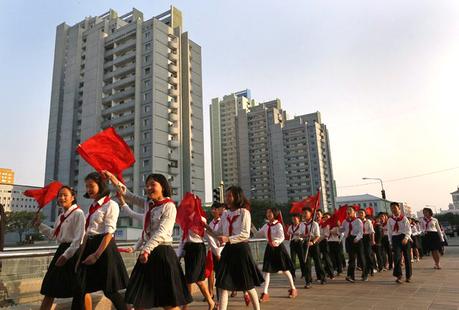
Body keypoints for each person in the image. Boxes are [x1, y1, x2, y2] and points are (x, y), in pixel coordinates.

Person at [105, 171, 193, 310]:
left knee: (168, 304)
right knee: (139, 299)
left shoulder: (169, 206)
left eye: (153, 184)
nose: (149, 188)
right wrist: (113, 178)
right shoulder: (149, 204)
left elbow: (161, 232)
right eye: (147, 185)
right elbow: (128, 195)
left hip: (162, 254)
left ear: (163, 187)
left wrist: (145, 250)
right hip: (147, 255)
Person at [72, 172, 129, 310]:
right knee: (80, 287)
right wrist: (79, 257)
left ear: (100, 185)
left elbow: (109, 233)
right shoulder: (92, 207)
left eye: (91, 186)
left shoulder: (111, 204)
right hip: (89, 246)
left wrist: (96, 255)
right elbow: (87, 233)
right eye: (86, 186)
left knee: (109, 290)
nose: (88, 189)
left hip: (103, 248)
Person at [204, 186, 263, 310]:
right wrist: (206, 228)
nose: (227, 198)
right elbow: (219, 232)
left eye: (229, 196)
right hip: (229, 251)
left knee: (248, 285)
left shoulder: (244, 212)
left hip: (241, 250)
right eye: (226, 196)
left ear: (237, 197)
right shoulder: (225, 214)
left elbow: (245, 234)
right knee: (223, 284)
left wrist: (228, 239)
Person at [34, 186, 85, 310]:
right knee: (50, 288)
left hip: (73, 253)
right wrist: (40, 225)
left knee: (81, 290)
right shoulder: (61, 215)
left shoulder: (78, 213)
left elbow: (79, 239)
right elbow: (53, 234)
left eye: (65, 195)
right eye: (59, 195)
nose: (62, 198)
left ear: (73, 197)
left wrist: (66, 256)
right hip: (62, 250)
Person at [252, 208, 297, 302]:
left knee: (285, 270)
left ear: (275, 214)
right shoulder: (266, 226)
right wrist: (251, 227)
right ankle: (265, 293)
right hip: (269, 249)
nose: (268, 214)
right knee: (266, 271)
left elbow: (282, 237)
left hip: (279, 249)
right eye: (267, 212)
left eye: (270, 212)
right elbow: (258, 235)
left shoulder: (278, 225)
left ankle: (293, 288)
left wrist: (275, 242)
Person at [341, 206, 367, 283]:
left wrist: (357, 238)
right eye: (347, 211)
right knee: (351, 259)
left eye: (350, 210)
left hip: (357, 240)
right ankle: (350, 276)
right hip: (349, 240)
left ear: (354, 212)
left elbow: (361, 232)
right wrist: (339, 228)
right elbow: (342, 230)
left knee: (361, 258)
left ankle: (365, 274)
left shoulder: (358, 221)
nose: (348, 212)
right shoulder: (345, 221)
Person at [388, 202, 412, 283]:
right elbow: (389, 232)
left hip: (404, 238)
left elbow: (409, 230)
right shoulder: (390, 220)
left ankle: (408, 276)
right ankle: (399, 275)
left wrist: (406, 238)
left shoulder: (404, 218)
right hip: (395, 239)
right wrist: (390, 242)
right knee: (397, 257)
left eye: (395, 207)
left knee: (407, 257)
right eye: (392, 208)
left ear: (399, 208)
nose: (393, 209)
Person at [302, 207, 326, 288]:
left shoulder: (314, 224)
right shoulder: (302, 224)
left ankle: (322, 278)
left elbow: (318, 236)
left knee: (318, 262)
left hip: (313, 244)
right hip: (305, 244)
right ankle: (308, 281)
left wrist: (312, 242)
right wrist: (305, 235)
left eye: (306, 213)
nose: (304, 214)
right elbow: (301, 234)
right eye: (303, 213)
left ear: (310, 214)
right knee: (307, 263)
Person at [206, 202, 224, 303]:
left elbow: (223, 237)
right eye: (212, 209)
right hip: (213, 251)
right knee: (214, 273)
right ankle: (216, 298)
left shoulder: (222, 222)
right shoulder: (211, 223)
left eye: (215, 209)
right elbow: (210, 237)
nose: (213, 211)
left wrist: (219, 252)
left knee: (222, 274)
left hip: (222, 251)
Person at [316, 209, 335, 279]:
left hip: (323, 242)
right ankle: (320, 275)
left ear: (322, 215)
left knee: (326, 258)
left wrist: (317, 240)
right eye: (316, 214)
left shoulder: (324, 223)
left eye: (319, 214)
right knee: (318, 259)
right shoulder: (314, 224)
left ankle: (331, 274)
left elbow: (326, 234)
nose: (317, 216)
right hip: (316, 242)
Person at [357, 209, 376, 276]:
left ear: (365, 214)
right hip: (359, 238)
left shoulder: (368, 221)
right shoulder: (357, 221)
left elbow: (372, 231)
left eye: (362, 213)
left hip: (366, 238)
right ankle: (365, 271)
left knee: (368, 254)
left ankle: (371, 269)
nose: (360, 214)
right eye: (359, 213)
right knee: (361, 255)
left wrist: (373, 240)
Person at [287, 213, 306, 278]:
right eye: (293, 219)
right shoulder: (290, 226)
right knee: (293, 259)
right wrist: (288, 233)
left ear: (298, 219)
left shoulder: (302, 225)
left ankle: (304, 273)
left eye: (295, 219)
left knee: (301, 258)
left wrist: (297, 234)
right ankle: (293, 274)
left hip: (299, 242)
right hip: (293, 243)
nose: (294, 220)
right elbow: (288, 234)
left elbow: (303, 233)